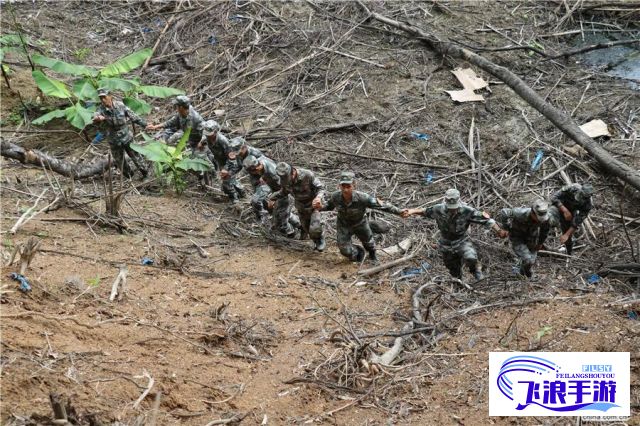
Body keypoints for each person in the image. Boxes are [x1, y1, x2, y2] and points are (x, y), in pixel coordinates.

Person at [406, 188, 507, 280]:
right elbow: (425, 211)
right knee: (453, 271)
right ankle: (459, 282)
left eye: (454, 207)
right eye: (450, 208)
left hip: (462, 240)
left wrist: (499, 231)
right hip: (446, 242)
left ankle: (475, 270)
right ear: (446, 202)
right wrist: (412, 211)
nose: (453, 210)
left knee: (470, 257)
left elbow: (487, 220)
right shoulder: (438, 209)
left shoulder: (467, 211)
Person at [313, 171, 409, 263]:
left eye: (348, 186)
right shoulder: (335, 197)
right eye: (343, 186)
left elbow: (383, 206)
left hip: (360, 223)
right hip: (343, 225)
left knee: (369, 243)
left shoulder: (363, 197)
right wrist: (320, 207)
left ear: (354, 186)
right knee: (344, 250)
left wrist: (399, 211)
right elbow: (328, 206)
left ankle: (372, 254)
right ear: (339, 186)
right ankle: (358, 252)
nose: (345, 189)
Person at [269, 162, 326, 251]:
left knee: (315, 229)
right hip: (301, 208)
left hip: (314, 205)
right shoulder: (285, 181)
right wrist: (272, 198)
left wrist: (318, 198)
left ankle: (320, 239)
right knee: (307, 229)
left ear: (293, 172)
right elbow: (283, 192)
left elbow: (321, 188)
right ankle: (315, 240)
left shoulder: (307, 175)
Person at [92, 88, 148, 178]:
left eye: (104, 97)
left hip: (127, 137)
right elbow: (95, 116)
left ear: (110, 96)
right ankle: (130, 178)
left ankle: (145, 174)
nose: (103, 100)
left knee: (136, 156)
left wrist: (145, 125)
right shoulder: (100, 110)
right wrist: (98, 118)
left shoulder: (120, 105)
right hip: (114, 140)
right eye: (101, 98)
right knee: (120, 162)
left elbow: (134, 116)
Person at [243, 155, 299, 236]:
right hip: (276, 192)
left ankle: (291, 233)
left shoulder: (273, 174)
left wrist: (274, 199)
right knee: (280, 213)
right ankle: (299, 225)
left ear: (258, 168)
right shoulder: (259, 162)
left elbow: (285, 189)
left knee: (279, 222)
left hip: (283, 195)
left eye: (254, 172)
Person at [496, 199, 551, 278]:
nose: (540, 220)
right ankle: (518, 274)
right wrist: (505, 228)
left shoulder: (545, 218)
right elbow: (504, 212)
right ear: (533, 213)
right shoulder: (520, 213)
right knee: (527, 259)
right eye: (538, 217)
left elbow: (545, 231)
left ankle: (523, 274)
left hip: (532, 237)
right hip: (517, 237)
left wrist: (540, 243)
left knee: (531, 261)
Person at [549, 183, 594, 255]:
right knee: (547, 219)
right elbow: (554, 197)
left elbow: (578, 220)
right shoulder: (572, 188)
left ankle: (569, 253)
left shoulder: (588, 205)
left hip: (571, 213)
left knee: (568, 235)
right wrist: (564, 210)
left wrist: (566, 234)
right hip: (558, 206)